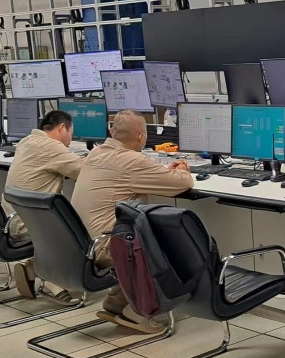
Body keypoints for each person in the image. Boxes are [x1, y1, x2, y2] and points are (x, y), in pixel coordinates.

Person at [71, 110, 194, 335]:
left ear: (112, 132)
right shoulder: (132, 160)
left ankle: (117, 301)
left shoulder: (96, 153)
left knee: (135, 228)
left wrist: (158, 173)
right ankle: (139, 310)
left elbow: (130, 175)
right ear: (141, 138)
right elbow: (182, 184)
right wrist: (183, 170)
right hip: (108, 247)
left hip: (83, 243)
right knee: (170, 235)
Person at [2, 110, 85, 299]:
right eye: (71, 133)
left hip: (12, 219)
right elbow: (83, 171)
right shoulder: (52, 147)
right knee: (80, 225)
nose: (71, 139)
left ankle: (31, 265)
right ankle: (51, 280)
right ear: (62, 128)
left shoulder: (26, 142)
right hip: (31, 225)